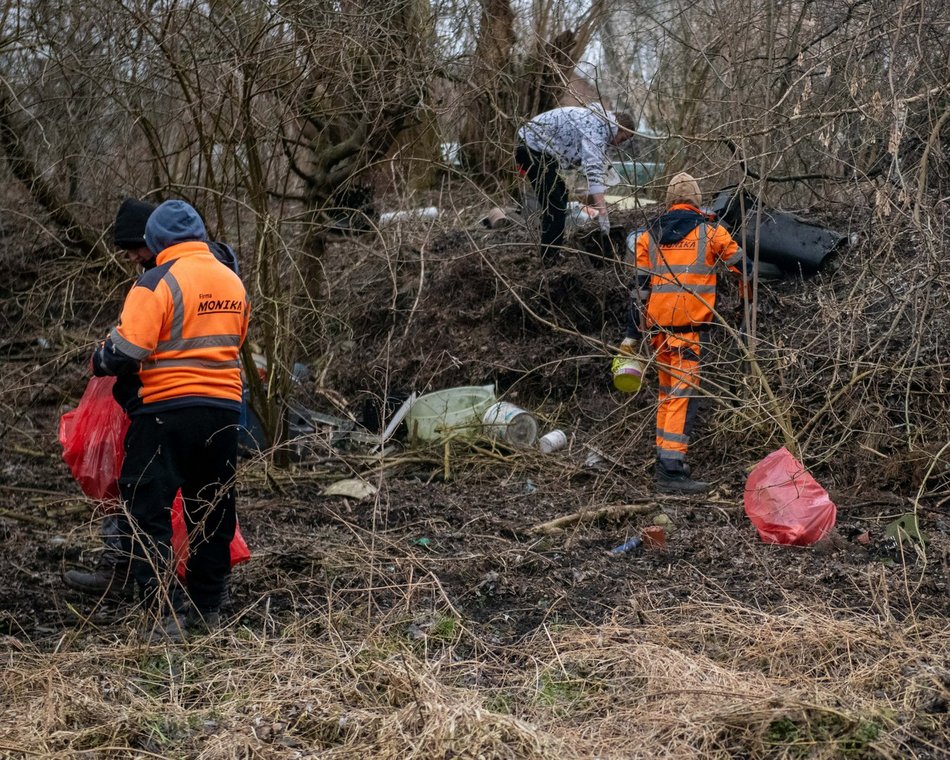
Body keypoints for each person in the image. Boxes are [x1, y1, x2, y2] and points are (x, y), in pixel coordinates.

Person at [63, 198, 244, 600]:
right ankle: (208, 606)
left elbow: (128, 351)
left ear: (156, 239)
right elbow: (237, 339)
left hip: (165, 410)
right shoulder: (231, 279)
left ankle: (163, 609)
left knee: (148, 509)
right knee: (211, 508)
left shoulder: (156, 281)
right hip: (225, 411)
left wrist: (100, 358)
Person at [621, 172, 753, 494]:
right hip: (689, 333)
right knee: (682, 397)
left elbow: (639, 291)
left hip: (658, 333)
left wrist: (631, 336)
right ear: (697, 200)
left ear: (669, 201)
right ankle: (671, 469)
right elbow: (744, 267)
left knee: (667, 396)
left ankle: (664, 460)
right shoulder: (711, 232)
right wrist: (747, 293)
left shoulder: (647, 236)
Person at [515, 104, 635, 265]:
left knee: (561, 195)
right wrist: (603, 212)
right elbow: (593, 171)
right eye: (622, 139)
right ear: (618, 128)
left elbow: (598, 165)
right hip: (531, 146)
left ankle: (552, 251)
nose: (619, 144)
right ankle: (549, 260)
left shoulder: (600, 124)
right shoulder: (596, 128)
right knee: (555, 206)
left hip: (539, 149)